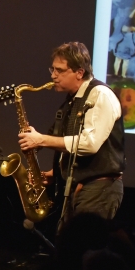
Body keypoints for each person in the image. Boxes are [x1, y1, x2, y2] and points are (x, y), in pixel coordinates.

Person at [18, 42, 125, 228]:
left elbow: (89, 143)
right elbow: (67, 142)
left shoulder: (100, 95)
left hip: (99, 189)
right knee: (69, 251)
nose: (53, 75)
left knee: (82, 250)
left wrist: (41, 139)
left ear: (79, 72)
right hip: (78, 188)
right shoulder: (71, 101)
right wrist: (57, 172)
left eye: (59, 70)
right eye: (52, 69)